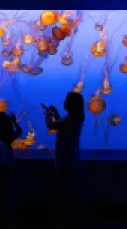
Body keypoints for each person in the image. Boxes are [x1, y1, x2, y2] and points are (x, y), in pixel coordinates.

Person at [43, 91, 85, 224]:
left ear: (70, 104)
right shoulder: (75, 119)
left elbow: (51, 125)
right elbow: (63, 126)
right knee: (74, 187)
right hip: (74, 157)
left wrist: (49, 114)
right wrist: (56, 115)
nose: (64, 102)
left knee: (65, 188)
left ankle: (67, 217)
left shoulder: (69, 120)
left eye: (66, 100)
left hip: (65, 159)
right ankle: (78, 215)